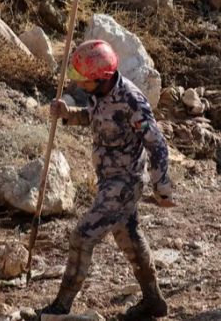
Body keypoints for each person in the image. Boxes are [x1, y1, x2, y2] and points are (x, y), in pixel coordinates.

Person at [39, 40, 175, 319]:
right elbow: (95, 117)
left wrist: (162, 186)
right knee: (130, 240)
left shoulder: (131, 100)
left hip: (124, 184)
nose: (79, 85)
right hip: (108, 180)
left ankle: (61, 306)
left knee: (82, 236)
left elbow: (157, 143)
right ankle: (153, 300)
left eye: (84, 80)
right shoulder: (101, 93)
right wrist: (69, 114)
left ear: (102, 78)